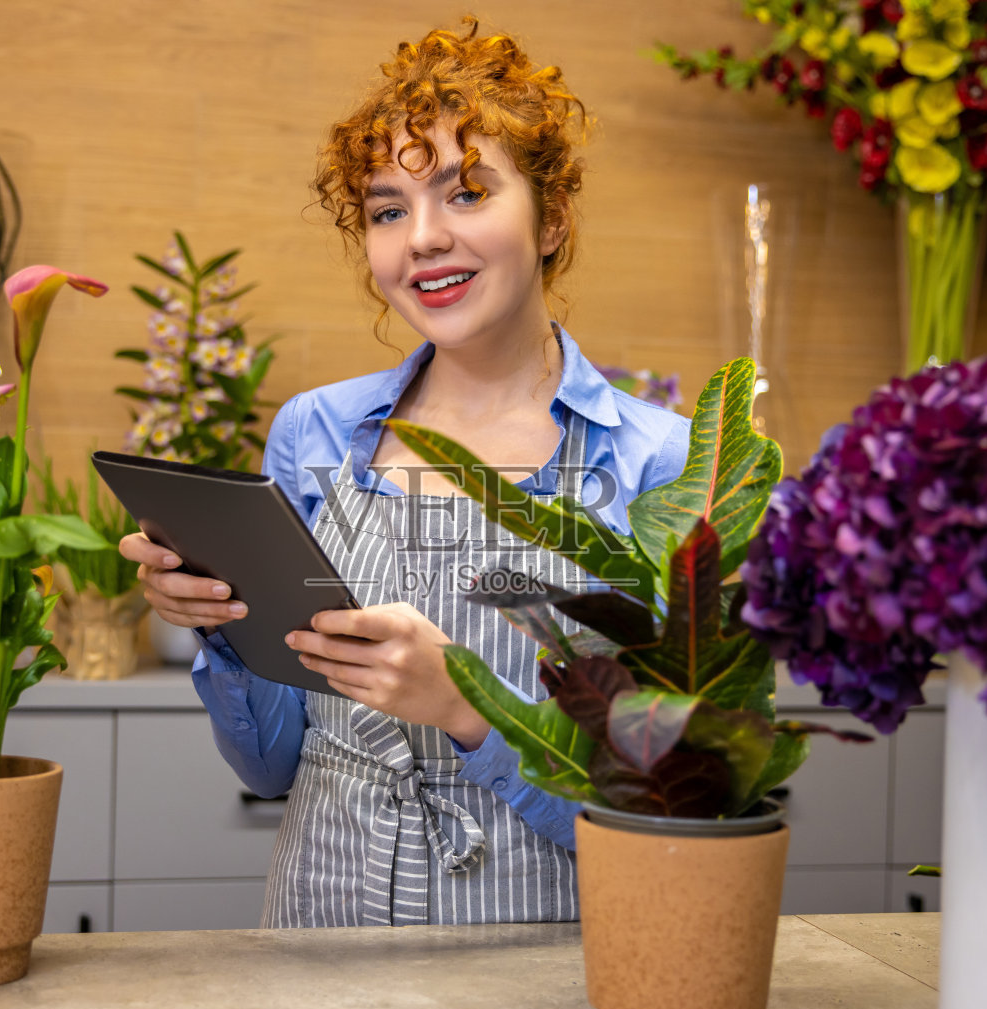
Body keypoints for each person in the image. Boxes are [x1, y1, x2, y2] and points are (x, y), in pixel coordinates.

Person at [120, 21, 691, 928]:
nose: (422, 238)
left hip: (541, 964)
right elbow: (267, 766)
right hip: (319, 940)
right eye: (388, 210)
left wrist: (469, 708)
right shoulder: (316, 434)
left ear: (554, 219)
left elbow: (670, 810)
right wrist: (220, 623)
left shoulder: (657, 464)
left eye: (465, 193)